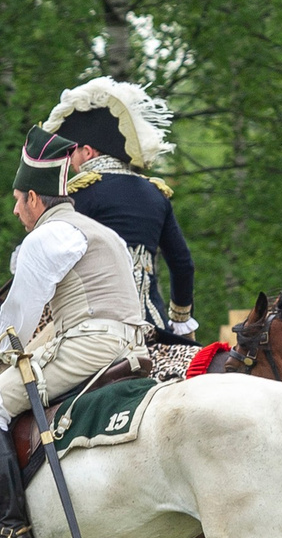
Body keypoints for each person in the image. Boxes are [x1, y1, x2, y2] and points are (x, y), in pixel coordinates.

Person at [0, 127, 148, 538]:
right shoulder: (100, 232)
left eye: (19, 198)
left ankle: (8, 528)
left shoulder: (46, 237)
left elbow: (20, 314)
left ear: (35, 200)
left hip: (90, 345)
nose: (16, 208)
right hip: (128, 343)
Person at [40, 77, 199, 342]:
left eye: (71, 154)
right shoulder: (155, 194)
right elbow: (183, 265)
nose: (69, 163)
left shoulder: (77, 194)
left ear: (88, 152)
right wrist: (180, 322)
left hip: (96, 331)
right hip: (154, 328)